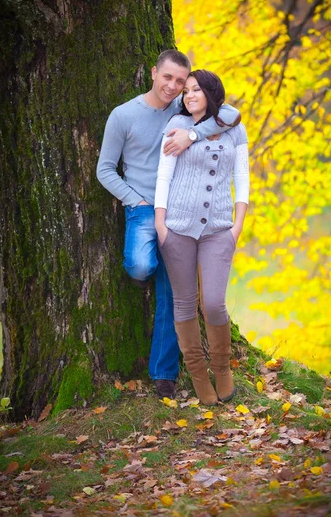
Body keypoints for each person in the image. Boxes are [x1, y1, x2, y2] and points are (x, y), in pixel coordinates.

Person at [96, 50, 241, 400]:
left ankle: (164, 376)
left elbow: (231, 114)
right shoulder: (124, 115)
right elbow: (104, 169)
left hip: (182, 217)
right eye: (168, 78)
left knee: (174, 297)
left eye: (181, 81)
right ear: (153, 73)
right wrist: (136, 200)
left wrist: (191, 135)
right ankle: (151, 271)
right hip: (145, 207)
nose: (174, 86)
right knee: (142, 265)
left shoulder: (183, 112)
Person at [155, 69, 249, 405]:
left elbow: (243, 178)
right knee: (184, 303)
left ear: (211, 92)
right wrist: (161, 224)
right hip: (176, 229)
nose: (188, 95)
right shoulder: (175, 127)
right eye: (186, 91)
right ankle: (198, 375)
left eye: (196, 90)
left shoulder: (233, 127)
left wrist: (237, 226)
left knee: (212, 302)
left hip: (219, 230)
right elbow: (163, 177)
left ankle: (222, 370)